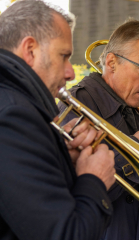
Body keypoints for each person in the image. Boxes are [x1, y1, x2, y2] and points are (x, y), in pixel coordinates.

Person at [58, 19, 139, 240]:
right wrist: (138, 145)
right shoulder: (78, 103)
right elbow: (75, 193)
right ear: (111, 62)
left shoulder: (136, 109)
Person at [0, 1, 116, 239]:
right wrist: (94, 180)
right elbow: (66, 234)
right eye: (64, 56)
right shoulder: (13, 116)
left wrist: (63, 159)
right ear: (30, 50)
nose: (70, 72)